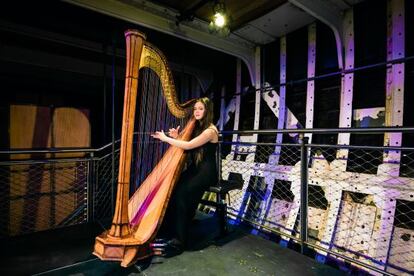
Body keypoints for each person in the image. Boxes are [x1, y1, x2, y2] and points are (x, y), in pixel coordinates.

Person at [151, 97, 219, 257]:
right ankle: (172, 229)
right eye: (195, 109)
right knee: (174, 191)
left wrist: (166, 139)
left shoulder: (210, 130)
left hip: (206, 173)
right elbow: (189, 144)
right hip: (195, 170)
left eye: (200, 109)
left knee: (181, 194)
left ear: (207, 110)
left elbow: (188, 146)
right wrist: (176, 136)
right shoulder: (198, 127)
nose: (196, 111)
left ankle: (179, 242)